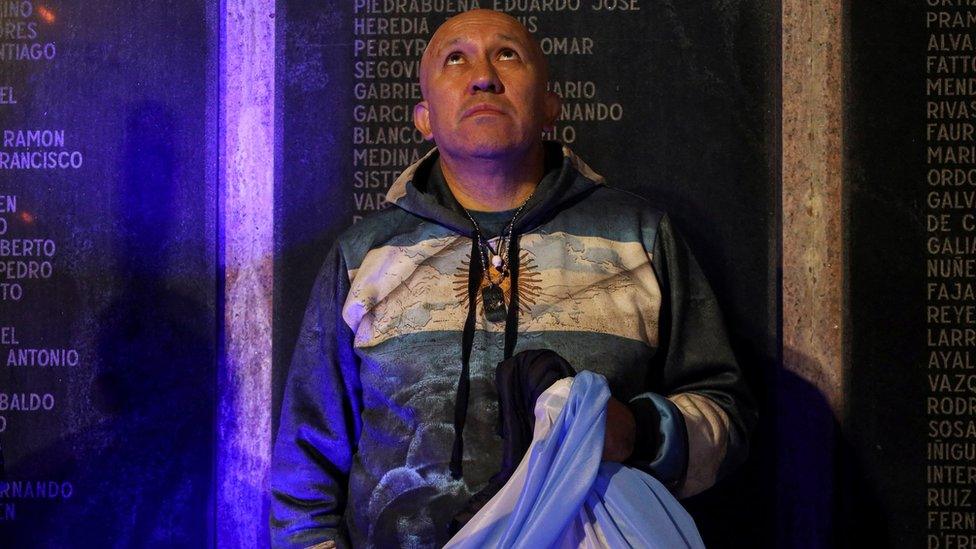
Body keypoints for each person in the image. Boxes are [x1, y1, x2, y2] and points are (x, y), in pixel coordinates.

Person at [270, 9, 755, 548]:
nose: (483, 76)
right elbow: (304, 472)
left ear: (550, 106)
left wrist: (637, 432)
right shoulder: (363, 257)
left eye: (507, 54)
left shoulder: (639, 236)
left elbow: (726, 419)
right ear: (424, 118)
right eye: (456, 58)